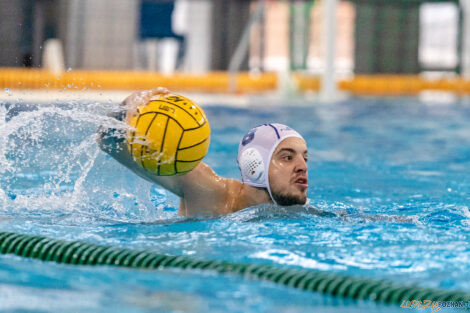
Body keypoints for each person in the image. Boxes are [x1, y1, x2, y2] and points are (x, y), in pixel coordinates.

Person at [97, 88, 309, 217]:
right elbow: (107, 141)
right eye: (287, 157)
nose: (303, 167)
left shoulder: (303, 212)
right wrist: (126, 107)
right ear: (255, 166)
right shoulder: (208, 190)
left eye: (304, 157)